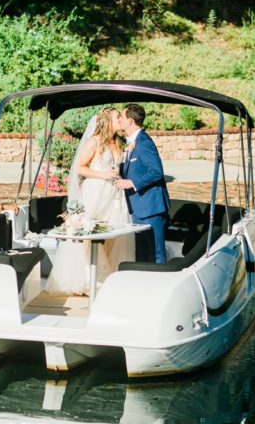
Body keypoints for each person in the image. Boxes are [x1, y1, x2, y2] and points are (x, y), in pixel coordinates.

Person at [45, 107, 134, 295]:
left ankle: (111, 276)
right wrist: (102, 174)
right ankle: (89, 279)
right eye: (117, 116)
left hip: (112, 195)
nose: (120, 119)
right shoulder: (94, 142)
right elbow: (80, 168)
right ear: (107, 120)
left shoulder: (117, 143)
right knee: (90, 236)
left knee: (111, 236)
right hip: (95, 193)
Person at [115, 103, 170, 263]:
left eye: (122, 117)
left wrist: (131, 183)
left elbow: (156, 172)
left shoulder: (144, 142)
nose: (120, 120)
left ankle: (160, 284)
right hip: (137, 208)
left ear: (130, 121)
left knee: (156, 253)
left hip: (151, 208)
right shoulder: (131, 141)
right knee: (141, 253)